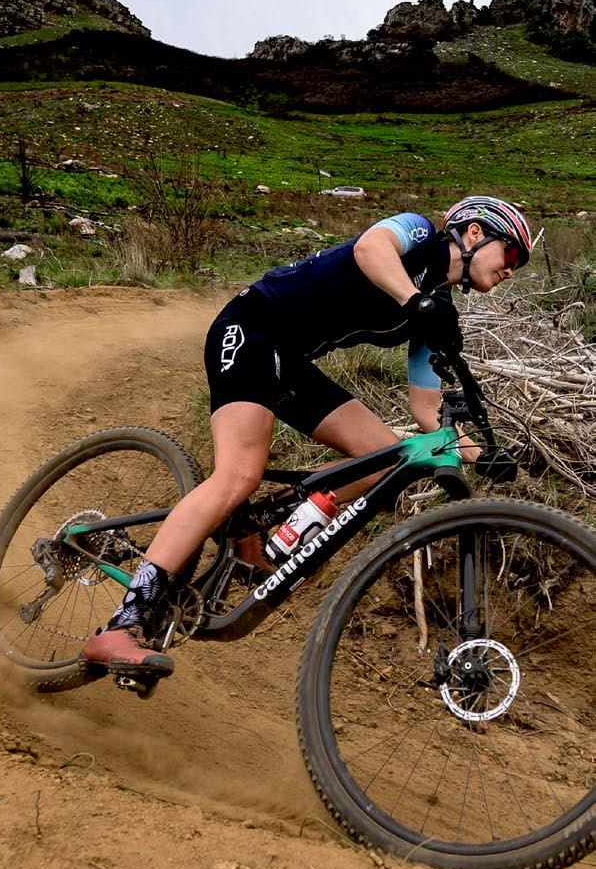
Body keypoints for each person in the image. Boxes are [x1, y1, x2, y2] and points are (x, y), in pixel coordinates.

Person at [82, 195, 536, 678]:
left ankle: (259, 521)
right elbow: (370, 247)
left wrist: (479, 455)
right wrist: (413, 300)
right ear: (473, 232)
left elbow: (425, 408)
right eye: (511, 253)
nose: (511, 270)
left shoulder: (436, 310)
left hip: (291, 363)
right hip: (251, 328)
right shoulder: (419, 234)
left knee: (387, 460)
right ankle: (124, 622)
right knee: (239, 473)